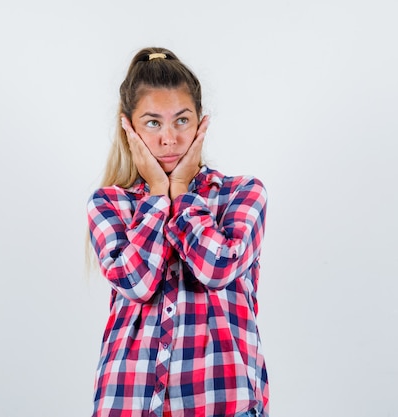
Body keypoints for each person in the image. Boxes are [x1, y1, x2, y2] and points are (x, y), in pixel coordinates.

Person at [86, 47, 270, 417]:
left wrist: (183, 191)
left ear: (202, 123)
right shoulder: (110, 203)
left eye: (181, 121)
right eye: (153, 123)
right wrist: (157, 196)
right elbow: (136, 283)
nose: (169, 138)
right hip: (129, 402)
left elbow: (215, 269)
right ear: (129, 128)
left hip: (220, 402)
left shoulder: (242, 193)